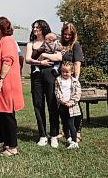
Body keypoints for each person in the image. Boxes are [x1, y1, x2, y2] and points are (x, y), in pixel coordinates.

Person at [25, 20, 63, 148]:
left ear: (44, 29)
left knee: (52, 104)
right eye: (34, 27)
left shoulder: (53, 41)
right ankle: (42, 135)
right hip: (36, 76)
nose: (35, 29)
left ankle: (53, 135)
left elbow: (59, 57)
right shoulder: (31, 44)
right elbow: (28, 59)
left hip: (50, 75)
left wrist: (46, 55)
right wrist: (41, 63)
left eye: (38, 27)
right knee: (38, 105)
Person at [0, 17, 24, 156]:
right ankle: (7, 144)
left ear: (2, 28)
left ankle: (12, 147)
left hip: (7, 83)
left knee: (8, 115)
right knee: (2, 115)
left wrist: (0, 80)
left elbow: (7, 61)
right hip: (2, 83)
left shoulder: (8, 41)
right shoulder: (1, 41)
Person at [59, 22, 85, 141]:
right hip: (61, 80)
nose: (67, 36)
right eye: (65, 34)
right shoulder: (60, 45)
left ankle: (77, 132)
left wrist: (75, 80)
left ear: (73, 34)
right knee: (63, 106)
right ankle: (66, 130)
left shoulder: (76, 45)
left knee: (75, 106)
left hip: (72, 80)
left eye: (69, 34)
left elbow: (77, 63)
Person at [55, 61, 81, 149]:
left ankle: (74, 142)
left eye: (67, 72)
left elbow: (78, 94)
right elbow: (57, 92)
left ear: (72, 72)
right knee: (64, 123)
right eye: (63, 71)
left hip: (72, 106)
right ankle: (68, 138)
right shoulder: (58, 80)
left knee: (71, 124)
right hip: (62, 105)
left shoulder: (75, 82)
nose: (64, 73)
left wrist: (71, 102)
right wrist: (62, 101)